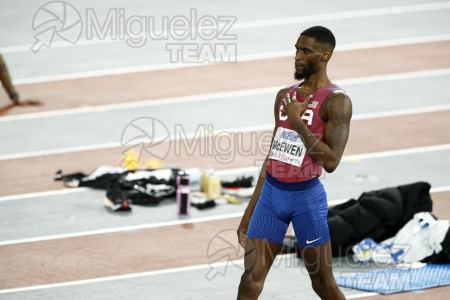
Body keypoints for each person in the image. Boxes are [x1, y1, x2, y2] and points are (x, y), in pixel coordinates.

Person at [237, 26, 352, 299]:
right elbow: (274, 155)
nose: (298, 57)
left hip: (306, 200)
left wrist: (298, 121)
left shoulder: (337, 102)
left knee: (322, 284)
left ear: (325, 55)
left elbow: (332, 161)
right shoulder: (284, 96)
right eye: (296, 50)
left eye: (306, 51)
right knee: (250, 279)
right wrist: (250, 209)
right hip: (271, 197)